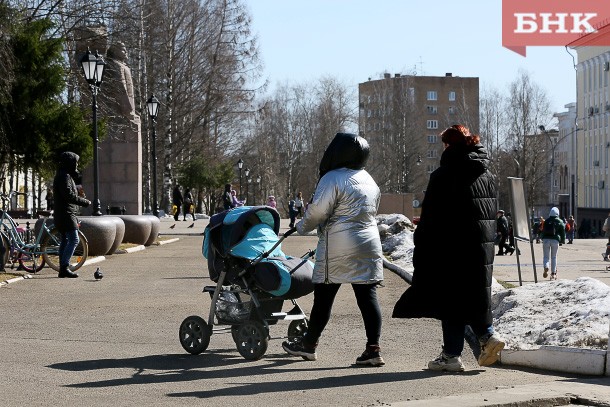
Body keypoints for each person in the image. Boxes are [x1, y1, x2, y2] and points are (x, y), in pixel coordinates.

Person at [392, 124, 505, 372]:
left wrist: (421, 240)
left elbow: (433, 217)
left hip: (451, 247)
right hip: (481, 246)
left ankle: (452, 355)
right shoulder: (487, 175)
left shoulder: (444, 175)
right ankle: (486, 336)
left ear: (448, 145)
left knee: (450, 300)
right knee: (474, 295)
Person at [282, 132, 385, 366]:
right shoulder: (368, 178)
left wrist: (301, 226)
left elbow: (317, 211)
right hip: (369, 242)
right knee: (367, 296)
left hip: (338, 243)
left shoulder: (332, 178)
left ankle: (309, 345)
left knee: (324, 296)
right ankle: (373, 348)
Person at [53, 152, 91, 278]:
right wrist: (84, 202)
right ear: (70, 163)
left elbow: (69, 193)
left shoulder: (64, 175)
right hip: (66, 214)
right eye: (75, 162)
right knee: (74, 239)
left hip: (63, 213)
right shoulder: (64, 177)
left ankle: (62, 268)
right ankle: (64, 267)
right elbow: (68, 196)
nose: (77, 165)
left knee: (65, 240)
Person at [541, 207, 566, 280]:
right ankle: (553, 274)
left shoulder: (546, 221)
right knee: (554, 257)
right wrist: (562, 241)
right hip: (555, 240)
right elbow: (563, 233)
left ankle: (546, 267)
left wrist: (542, 238)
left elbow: (543, 230)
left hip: (546, 240)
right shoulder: (560, 221)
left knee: (546, 256)